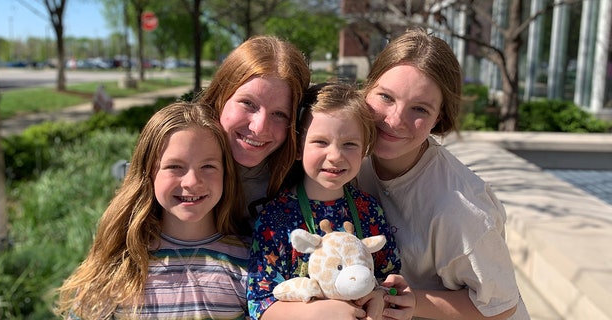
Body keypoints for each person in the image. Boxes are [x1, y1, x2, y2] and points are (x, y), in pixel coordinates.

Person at [356, 29, 530, 319]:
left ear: (439, 117)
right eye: (386, 97)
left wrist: (411, 300)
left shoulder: (460, 208)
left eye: (419, 108)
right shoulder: (350, 159)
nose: (396, 120)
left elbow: (500, 306)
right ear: (366, 90)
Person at [55, 102, 251, 319]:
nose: (192, 181)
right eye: (175, 166)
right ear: (148, 173)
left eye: (208, 166)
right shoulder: (119, 267)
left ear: (226, 173)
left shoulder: (249, 262)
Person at [247, 83, 410, 320]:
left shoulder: (369, 209)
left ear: (365, 149)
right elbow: (259, 304)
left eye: (349, 144)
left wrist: (382, 296)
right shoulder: (276, 217)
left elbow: (390, 277)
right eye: (321, 142)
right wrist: (316, 312)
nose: (335, 156)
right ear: (298, 148)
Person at [195, 35, 311, 221]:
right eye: (248, 103)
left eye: (280, 114)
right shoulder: (177, 162)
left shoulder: (306, 178)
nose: (259, 128)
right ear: (219, 98)